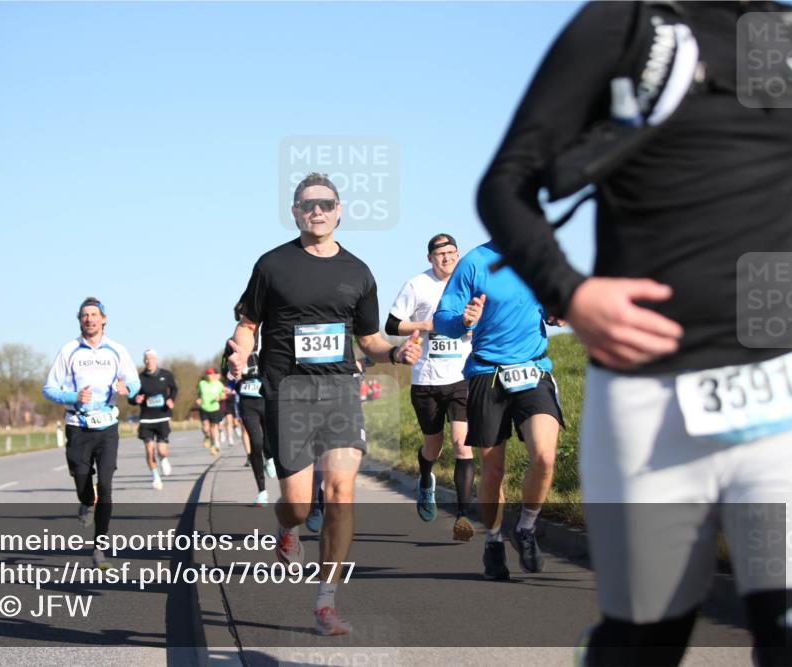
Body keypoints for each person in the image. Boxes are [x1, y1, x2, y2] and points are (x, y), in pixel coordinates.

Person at [476, 3, 792, 664]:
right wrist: (572, 291)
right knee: (647, 640)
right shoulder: (630, 25)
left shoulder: (786, 39)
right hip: (651, 401)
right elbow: (506, 184)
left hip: (785, 395)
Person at [227, 172, 421, 636]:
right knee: (297, 506)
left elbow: (369, 340)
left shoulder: (358, 272)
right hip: (287, 392)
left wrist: (395, 353)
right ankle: (287, 529)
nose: (317, 210)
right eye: (308, 204)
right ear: (295, 212)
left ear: (339, 211)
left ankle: (326, 602)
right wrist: (239, 351)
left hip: (339, 392)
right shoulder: (272, 265)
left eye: (326, 204)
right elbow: (248, 324)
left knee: (340, 491)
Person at [434, 242, 564, 580]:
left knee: (545, 457)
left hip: (534, 369)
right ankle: (493, 541)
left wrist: (557, 313)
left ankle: (526, 527)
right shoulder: (474, 263)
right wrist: (462, 320)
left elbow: (555, 304)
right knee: (493, 470)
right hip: (487, 374)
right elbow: (442, 319)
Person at [387, 233, 476, 539]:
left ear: (458, 254)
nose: (446, 258)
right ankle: (426, 478)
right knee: (433, 446)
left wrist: (472, 326)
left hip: (461, 376)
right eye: (440, 254)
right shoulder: (417, 285)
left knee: (462, 445)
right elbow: (392, 324)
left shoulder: (469, 283)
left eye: (451, 252)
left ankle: (463, 517)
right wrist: (425, 325)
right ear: (430, 258)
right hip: (426, 379)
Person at [42, 297, 141, 569]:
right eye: (85, 315)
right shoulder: (69, 350)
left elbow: (134, 381)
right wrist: (74, 396)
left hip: (107, 426)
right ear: (80, 320)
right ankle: (86, 501)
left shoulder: (117, 350)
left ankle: (100, 548)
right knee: (83, 483)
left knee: (106, 487)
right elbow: (48, 389)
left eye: (94, 314)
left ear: (103, 319)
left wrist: (128, 390)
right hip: (78, 426)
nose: (89, 319)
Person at [227, 311, 278, 506]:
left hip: (267, 399)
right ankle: (262, 491)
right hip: (248, 402)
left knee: (269, 443)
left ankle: (270, 456)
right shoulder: (231, 343)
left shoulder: (270, 338)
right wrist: (234, 372)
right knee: (256, 444)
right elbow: (226, 374)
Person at [128, 349, 177, 490]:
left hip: (162, 417)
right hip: (146, 419)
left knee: (162, 451)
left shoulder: (166, 375)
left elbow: (174, 389)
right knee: (149, 451)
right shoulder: (139, 378)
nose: (149, 361)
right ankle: (155, 477)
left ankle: (164, 459)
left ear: (156, 359)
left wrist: (171, 399)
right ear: (144, 361)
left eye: (151, 358)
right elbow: (131, 397)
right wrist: (135, 399)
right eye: (146, 359)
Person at [196, 368, 226, 455]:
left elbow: (224, 395)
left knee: (213, 427)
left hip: (214, 408)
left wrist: (219, 397)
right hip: (204, 408)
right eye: (208, 374)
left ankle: (215, 443)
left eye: (211, 374)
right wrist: (198, 399)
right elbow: (199, 394)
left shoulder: (219, 384)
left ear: (214, 375)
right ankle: (207, 436)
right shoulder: (202, 383)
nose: (209, 376)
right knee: (205, 427)